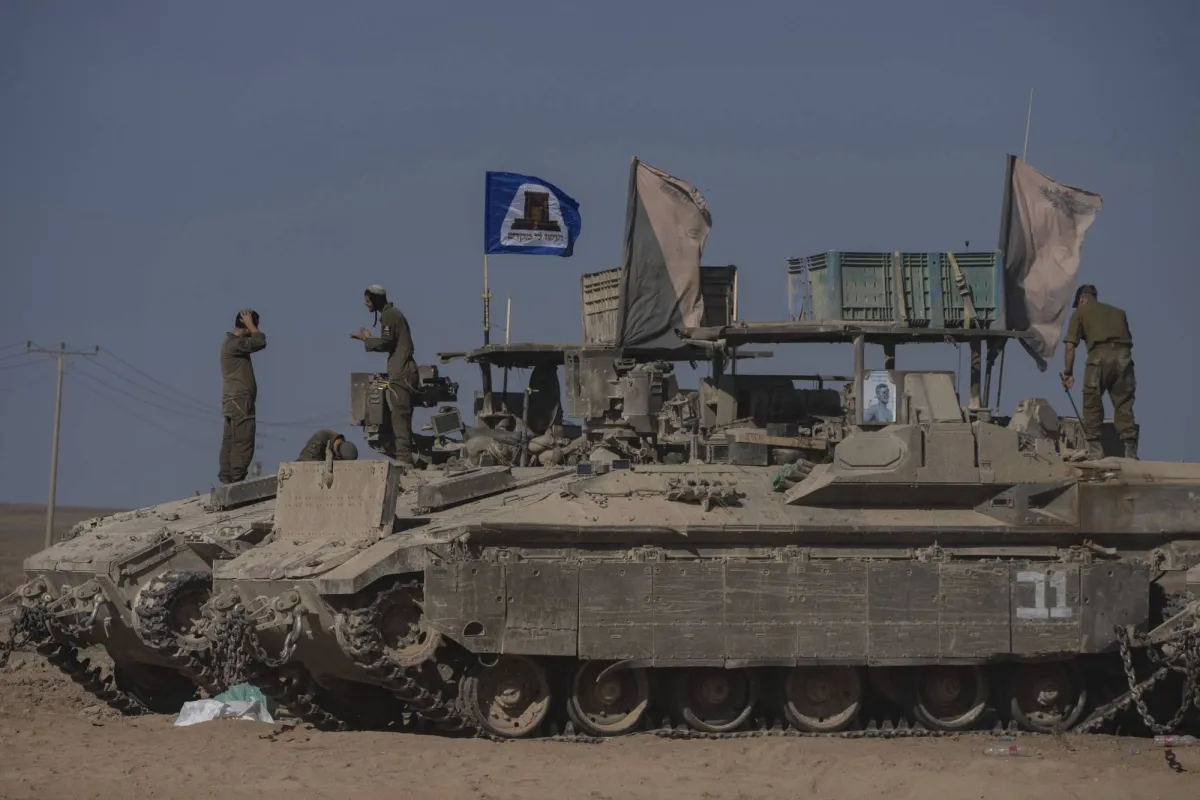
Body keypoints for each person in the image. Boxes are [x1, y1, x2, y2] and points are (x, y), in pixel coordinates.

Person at [1061, 284, 1137, 459]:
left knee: (1092, 400)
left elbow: (1070, 347)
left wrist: (1068, 373)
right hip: (1124, 358)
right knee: (1124, 403)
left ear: (1081, 298)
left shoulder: (1080, 313)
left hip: (1099, 357)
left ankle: (1095, 449)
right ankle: (1130, 451)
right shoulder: (1119, 312)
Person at [350, 284, 418, 466]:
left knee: (400, 416)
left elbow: (386, 343)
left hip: (402, 373)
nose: (366, 304)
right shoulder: (391, 314)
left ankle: (404, 459)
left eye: (367, 300)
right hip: (404, 371)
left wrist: (367, 339)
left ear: (375, 299)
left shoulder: (389, 315)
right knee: (398, 417)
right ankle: (405, 455)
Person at [219, 309, 266, 484]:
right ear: (245, 327)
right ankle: (236, 480)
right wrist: (251, 324)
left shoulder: (231, 343)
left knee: (230, 441)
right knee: (243, 441)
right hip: (240, 400)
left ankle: (227, 480)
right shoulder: (235, 344)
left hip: (232, 401)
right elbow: (260, 341)